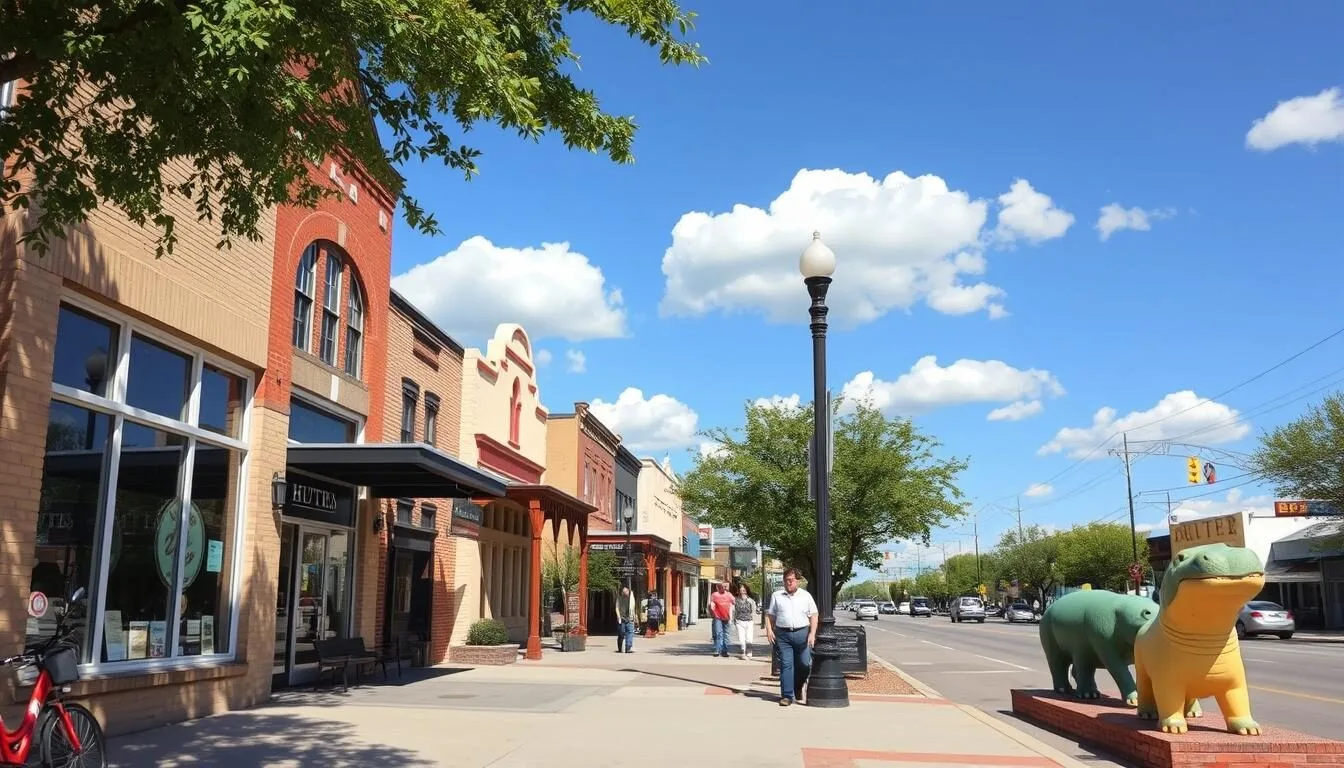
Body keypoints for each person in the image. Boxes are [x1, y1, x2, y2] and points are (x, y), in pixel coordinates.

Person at [764, 567, 818, 707]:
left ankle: (798, 686)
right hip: (783, 635)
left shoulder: (806, 596)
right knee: (786, 665)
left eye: (791, 580)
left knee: (804, 664)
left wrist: (812, 634)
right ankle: (787, 695)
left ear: (798, 581)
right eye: (786, 580)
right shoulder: (777, 595)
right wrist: (769, 630)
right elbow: (770, 615)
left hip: (802, 633)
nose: (789, 583)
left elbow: (814, 615)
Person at [708, 582, 734, 658]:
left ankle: (725, 650)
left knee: (726, 634)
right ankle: (717, 650)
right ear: (718, 587)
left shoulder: (729, 595)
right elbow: (710, 605)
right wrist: (711, 613)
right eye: (722, 586)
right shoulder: (714, 595)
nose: (724, 588)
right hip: (717, 617)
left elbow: (734, 603)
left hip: (727, 617)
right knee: (718, 633)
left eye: (725, 586)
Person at [733, 584, 758, 659]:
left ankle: (749, 652)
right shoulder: (736, 600)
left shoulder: (750, 600)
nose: (742, 592)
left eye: (744, 590)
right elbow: (734, 610)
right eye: (741, 590)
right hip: (739, 621)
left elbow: (753, 610)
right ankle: (743, 652)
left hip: (749, 621)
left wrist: (753, 619)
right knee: (741, 638)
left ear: (746, 591)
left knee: (749, 638)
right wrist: (733, 619)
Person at [614, 586, 638, 653]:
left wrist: (635, 617)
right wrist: (618, 616)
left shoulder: (631, 599)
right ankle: (620, 648)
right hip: (621, 618)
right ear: (622, 592)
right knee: (621, 633)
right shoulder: (619, 598)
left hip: (630, 618)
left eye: (626, 591)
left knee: (630, 633)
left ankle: (628, 648)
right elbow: (616, 607)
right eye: (624, 591)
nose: (625, 592)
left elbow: (633, 608)